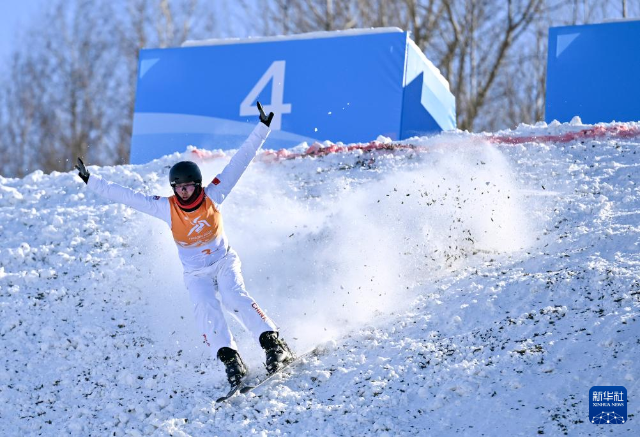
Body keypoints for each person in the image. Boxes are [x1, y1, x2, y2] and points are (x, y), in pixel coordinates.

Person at [75, 101, 293, 389]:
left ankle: (274, 345)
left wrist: (262, 128)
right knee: (205, 310)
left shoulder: (214, 194)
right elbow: (127, 195)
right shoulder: (166, 208)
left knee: (232, 297)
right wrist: (92, 181)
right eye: (177, 187)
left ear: (198, 185)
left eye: (187, 186)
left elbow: (239, 161)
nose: (183, 191)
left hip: (223, 261)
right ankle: (232, 361)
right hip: (195, 274)